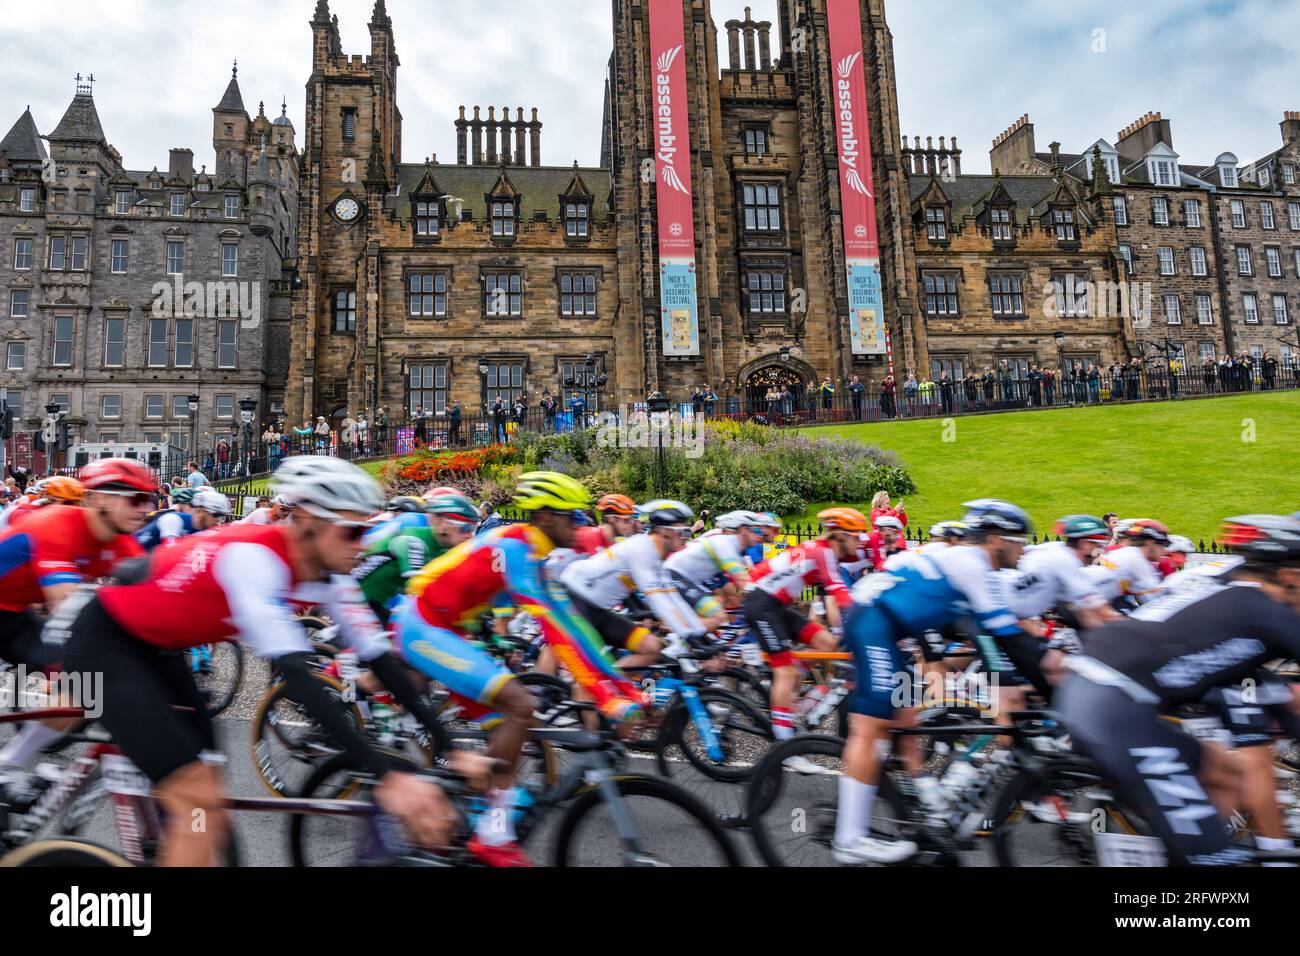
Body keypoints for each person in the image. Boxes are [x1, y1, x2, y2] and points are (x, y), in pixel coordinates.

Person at [61, 457, 457, 867]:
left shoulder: (334, 577)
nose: (362, 545)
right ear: (306, 521)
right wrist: (387, 776)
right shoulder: (253, 560)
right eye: (352, 532)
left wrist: (447, 743)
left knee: (207, 793)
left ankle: (182, 837)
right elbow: (300, 679)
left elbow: (380, 658)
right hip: (103, 646)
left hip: (160, 649)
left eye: (367, 530)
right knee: (196, 794)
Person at [398, 473, 644, 865]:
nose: (582, 524)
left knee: (507, 731)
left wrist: (620, 686)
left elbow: (575, 626)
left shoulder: (534, 554)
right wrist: (606, 697)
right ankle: (492, 835)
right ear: (546, 517)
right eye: (573, 516)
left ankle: (478, 814)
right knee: (521, 705)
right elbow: (555, 631)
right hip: (421, 626)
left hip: (450, 629)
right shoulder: (516, 549)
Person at [1058, 515, 1300, 866]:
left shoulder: (1239, 591)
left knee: (1225, 777)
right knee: (1214, 856)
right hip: (1117, 706)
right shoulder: (1270, 614)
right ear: (1291, 577)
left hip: (1100, 687)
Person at [834, 499, 1041, 864]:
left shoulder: (975, 565)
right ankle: (849, 838)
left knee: (907, 712)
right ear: (997, 540)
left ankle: (921, 791)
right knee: (872, 726)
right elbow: (1009, 638)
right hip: (872, 621)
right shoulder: (974, 565)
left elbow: (992, 639)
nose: (1024, 548)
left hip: (890, 620)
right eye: (1020, 540)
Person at [0, 460, 153, 674]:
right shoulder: (50, 521)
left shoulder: (122, 542)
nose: (145, 509)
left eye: (149, 500)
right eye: (137, 499)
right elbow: (66, 606)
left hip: (14, 610)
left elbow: (152, 594)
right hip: (18, 602)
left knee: (59, 670)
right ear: (99, 499)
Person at [745, 508, 862, 749]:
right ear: (840, 535)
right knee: (786, 672)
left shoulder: (822, 550)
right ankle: (783, 742)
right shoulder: (823, 552)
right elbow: (838, 590)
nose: (859, 541)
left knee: (829, 644)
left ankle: (795, 686)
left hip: (775, 605)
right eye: (856, 536)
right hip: (762, 606)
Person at [562, 500, 707, 672]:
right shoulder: (642, 549)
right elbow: (659, 600)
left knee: (652, 647)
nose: (686, 535)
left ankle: (614, 686)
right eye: (682, 531)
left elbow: (672, 597)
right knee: (592, 677)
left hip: (599, 610)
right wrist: (691, 637)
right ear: (664, 532)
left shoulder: (657, 556)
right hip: (576, 603)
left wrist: (701, 636)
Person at [1097, 518, 1171, 604]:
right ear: (1149, 543)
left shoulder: (1128, 553)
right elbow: (1154, 601)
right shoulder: (1136, 559)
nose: (1165, 550)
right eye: (1162, 544)